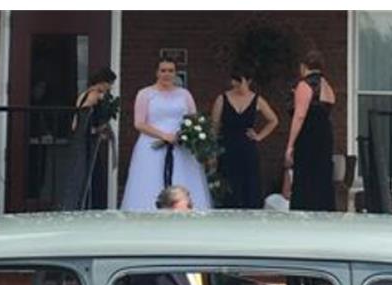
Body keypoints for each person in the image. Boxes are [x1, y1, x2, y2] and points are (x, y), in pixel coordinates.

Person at [120, 55, 212, 212]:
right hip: (152, 145)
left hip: (180, 146)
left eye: (171, 71)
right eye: (163, 70)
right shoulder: (145, 94)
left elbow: (194, 119)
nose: (167, 74)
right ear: (157, 72)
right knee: (150, 180)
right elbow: (139, 123)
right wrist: (163, 135)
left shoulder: (184, 94)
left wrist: (185, 134)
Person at [210, 71, 279, 209]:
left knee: (250, 184)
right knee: (228, 185)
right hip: (227, 147)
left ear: (248, 81)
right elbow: (214, 126)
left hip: (247, 148)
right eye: (233, 80)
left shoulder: (257, 100)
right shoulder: (222, 99)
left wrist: (259, 136)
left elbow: (273, 120)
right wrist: (212, 151)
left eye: (239, 81)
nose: (235, 84)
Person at [57, 67, 117, 211]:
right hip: (86, 142)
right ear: (103, 82)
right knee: (87, 173)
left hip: (84, 140)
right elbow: (84, 119)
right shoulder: (93, 96)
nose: (110, 87)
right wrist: (97, 130)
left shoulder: (83, 94)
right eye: (109, 83)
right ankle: (86, 205)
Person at [285, 50, 337, 211]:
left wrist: (290, 145)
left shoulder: (304, 85)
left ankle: (305, 208)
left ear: (303, 66)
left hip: (309, 135)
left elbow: (299, 116)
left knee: (305, 175)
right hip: (325, 135)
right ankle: (323, 208)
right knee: (322, 175)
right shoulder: (327, 86)